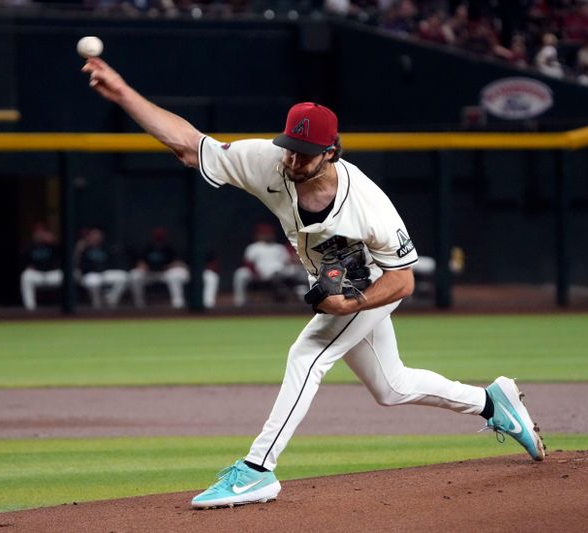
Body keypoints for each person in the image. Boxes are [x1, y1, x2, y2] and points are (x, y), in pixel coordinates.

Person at [82, 57, 546, 509]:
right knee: (392, 387)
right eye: (289, 146)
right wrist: (123, 92)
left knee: (308, 355)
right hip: (335, 283)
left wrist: (352, 303)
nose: (293, 158)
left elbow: (403, 280)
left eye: (305, 153)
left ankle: (257, 470)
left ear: (331, 152)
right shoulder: (269, 161)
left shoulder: (368, 204)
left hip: (373, 283)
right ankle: (491, 401)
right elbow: (188, 144)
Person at [123, 227, 218, 309]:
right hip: (150, 273)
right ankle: (139, 303)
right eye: (157, 236)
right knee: (135, 275)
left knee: (176, 275)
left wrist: (169, 266)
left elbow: (177, 262)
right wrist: (142, 265)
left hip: (166, 273)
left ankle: (180, 303)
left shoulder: (169, 248)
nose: (159, 238)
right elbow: (140, 261)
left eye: (161, 236)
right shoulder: (148, 247)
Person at [233, 222, 307, 306]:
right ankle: (240, 302)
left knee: (299, 271)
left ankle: (303, 297)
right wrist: (255, 273)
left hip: (280, 272)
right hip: (261, 273)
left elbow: (288, 262)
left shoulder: (279, 247)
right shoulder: (254, 247)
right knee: (241, 273)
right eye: (264, 233)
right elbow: (248, 263)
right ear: (258, 235)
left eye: (269, 233)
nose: (267, 235)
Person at [75, 227, 127, 309]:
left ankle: (111, 299)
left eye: (98, 235)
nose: (97, 237)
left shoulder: (105, 248)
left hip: (104, 273)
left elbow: (113, 261)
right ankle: (97, 305)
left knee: (123, 276)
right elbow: (77, 262)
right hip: (90, 274)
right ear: (89, 236)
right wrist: (80, 248)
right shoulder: (84, 248)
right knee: (93, 282)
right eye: (94, 235)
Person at [20, 223, 62, 311]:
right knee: (25, 276)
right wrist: (28, 266)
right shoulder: (30, 247)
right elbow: (23, 261)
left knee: (65, 275)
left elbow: (63, 255)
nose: (40, 235)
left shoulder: (52, 246)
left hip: (51, 274)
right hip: (37, 274)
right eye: (37, 233)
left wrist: (53, 241)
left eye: (42, 232)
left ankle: (65, 306)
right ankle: (30, 307)